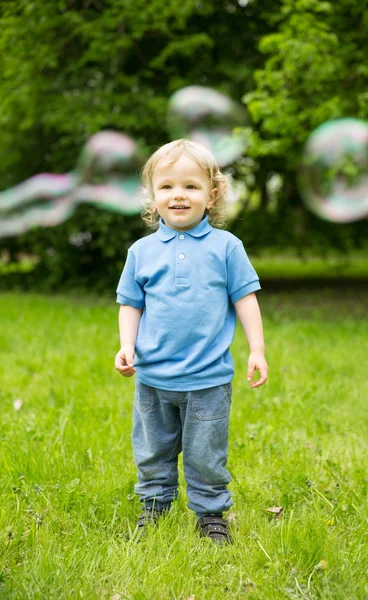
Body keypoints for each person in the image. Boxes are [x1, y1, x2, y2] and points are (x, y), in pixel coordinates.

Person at [115, 139, 268, 544]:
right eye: (166, 186)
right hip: (152, 378)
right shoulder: (141, 252)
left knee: (206, 454)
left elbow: (245, 299)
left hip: (208, 380)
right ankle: (154, 506)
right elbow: (130, 304)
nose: (178, 194)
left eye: (191, 186)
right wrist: (126, 345)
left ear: (212, 195)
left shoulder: (227, 247)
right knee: (152, 450)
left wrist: (257, 350)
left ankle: (211, 513)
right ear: (152, 195)